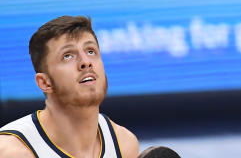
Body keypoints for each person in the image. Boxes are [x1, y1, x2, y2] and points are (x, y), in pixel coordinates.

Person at [0, 16, 139, 158]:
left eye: (91, 51)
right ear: (44, 82)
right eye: (67, 56)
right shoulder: (13, 152)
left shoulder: (124, 144)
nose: (86, 62)